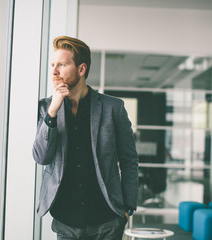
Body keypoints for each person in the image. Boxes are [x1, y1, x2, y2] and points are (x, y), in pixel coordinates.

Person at [33, 36, 139, 239]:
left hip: (107, 219)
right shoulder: (46, 108)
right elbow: (41, 157)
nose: (54, 72)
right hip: (66, 220)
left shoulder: (113, 108)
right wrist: (53, 112)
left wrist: (128, 207)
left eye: (62, 65)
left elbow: (128, 160)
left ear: (81, 70)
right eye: (53, 65)